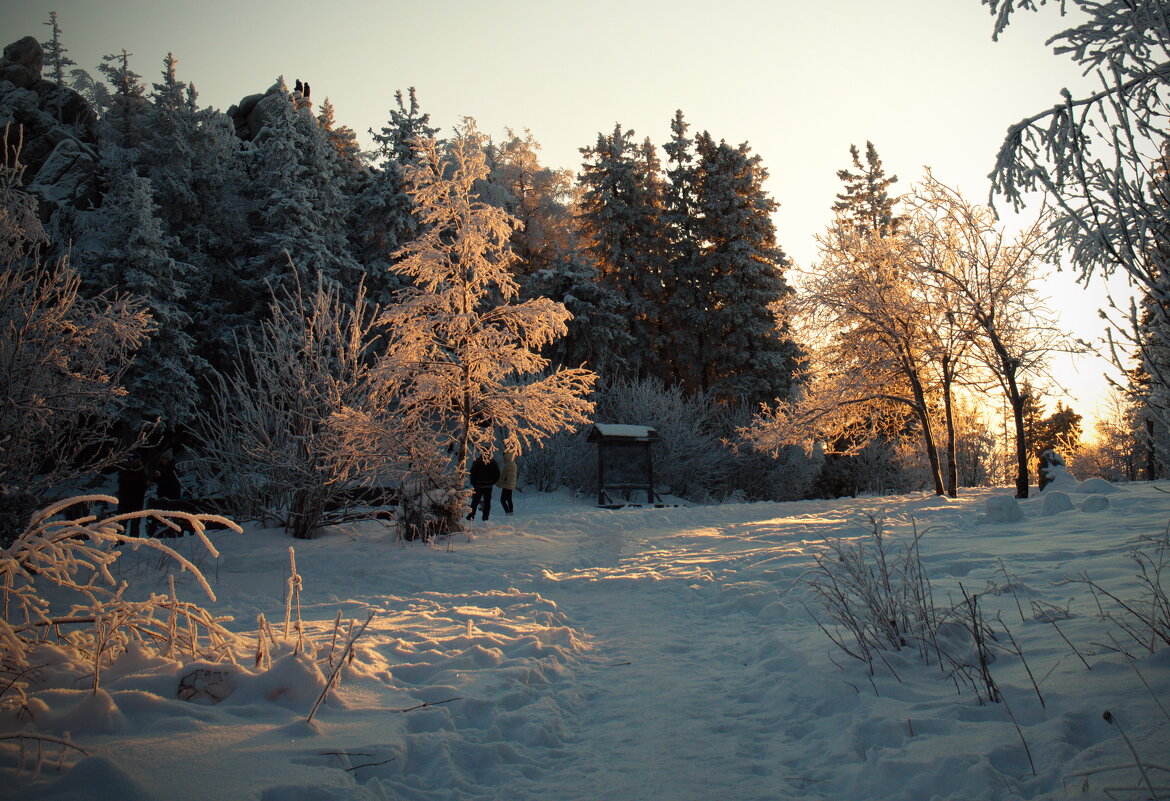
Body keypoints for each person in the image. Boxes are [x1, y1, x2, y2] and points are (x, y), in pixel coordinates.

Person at [117, 451, 150, 537]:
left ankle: (133, 545)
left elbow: (143, 486)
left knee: (135, 525)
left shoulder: (141, 470)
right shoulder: (125, 470)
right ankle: (119, 544)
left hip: (137, 501)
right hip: (126, 502)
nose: (139, 461)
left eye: (139, 459)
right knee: (122, 525)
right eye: (137, 459)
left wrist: (146, 484)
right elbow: (127, 485)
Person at [467, 452, 500, 521]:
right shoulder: (493, 462)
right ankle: (485, 517)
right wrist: (492, 482)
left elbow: (472, 473)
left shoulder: (477, 462)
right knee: (487, 502)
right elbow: (497, 474)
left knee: (475, 501)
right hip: (488, 486)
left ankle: (471, 515)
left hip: (478, 485)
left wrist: (474, 483)